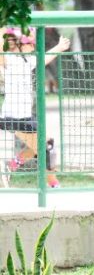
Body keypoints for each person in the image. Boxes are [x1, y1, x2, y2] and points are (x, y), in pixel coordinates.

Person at [0, 27, 70, 188]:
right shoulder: (9, 59)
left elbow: (44, 58)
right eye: (29, 43)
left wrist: (59, 47)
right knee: (46, 148)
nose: (33, 47)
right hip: (14, 116)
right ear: (18, 44)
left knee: (46, 142)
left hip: (22, 115)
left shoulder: (27, 60)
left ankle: (12, 165)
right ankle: (53, 184)